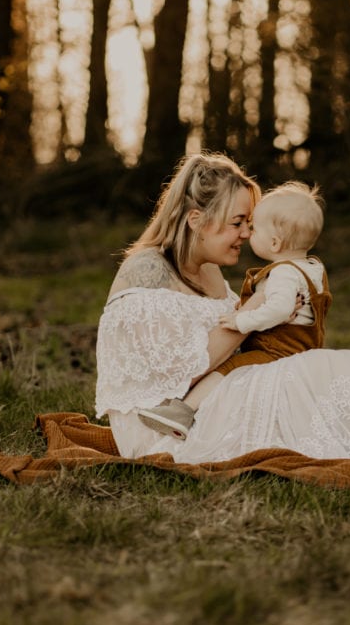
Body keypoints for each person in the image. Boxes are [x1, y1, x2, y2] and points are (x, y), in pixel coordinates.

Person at [95, 152, 350, 467]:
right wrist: (262, 308)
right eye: (238, 223)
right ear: (197, 220)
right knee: (327, 369)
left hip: (212, 398)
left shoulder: (209, 269)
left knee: (336, 365)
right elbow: (186, 367)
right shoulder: (146, 269)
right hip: (165, 428)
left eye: (249, 222)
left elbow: (238, 341)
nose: (247, 234)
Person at [136, 181, 332, 439]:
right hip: (301, 349)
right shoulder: (313, 268)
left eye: (254, 228)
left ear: (274, 243)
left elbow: (280, 309)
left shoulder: (284, 273)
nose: (249, 234)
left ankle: (183, 412)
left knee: (227, 368)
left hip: (277, 351)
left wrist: (243, 321)